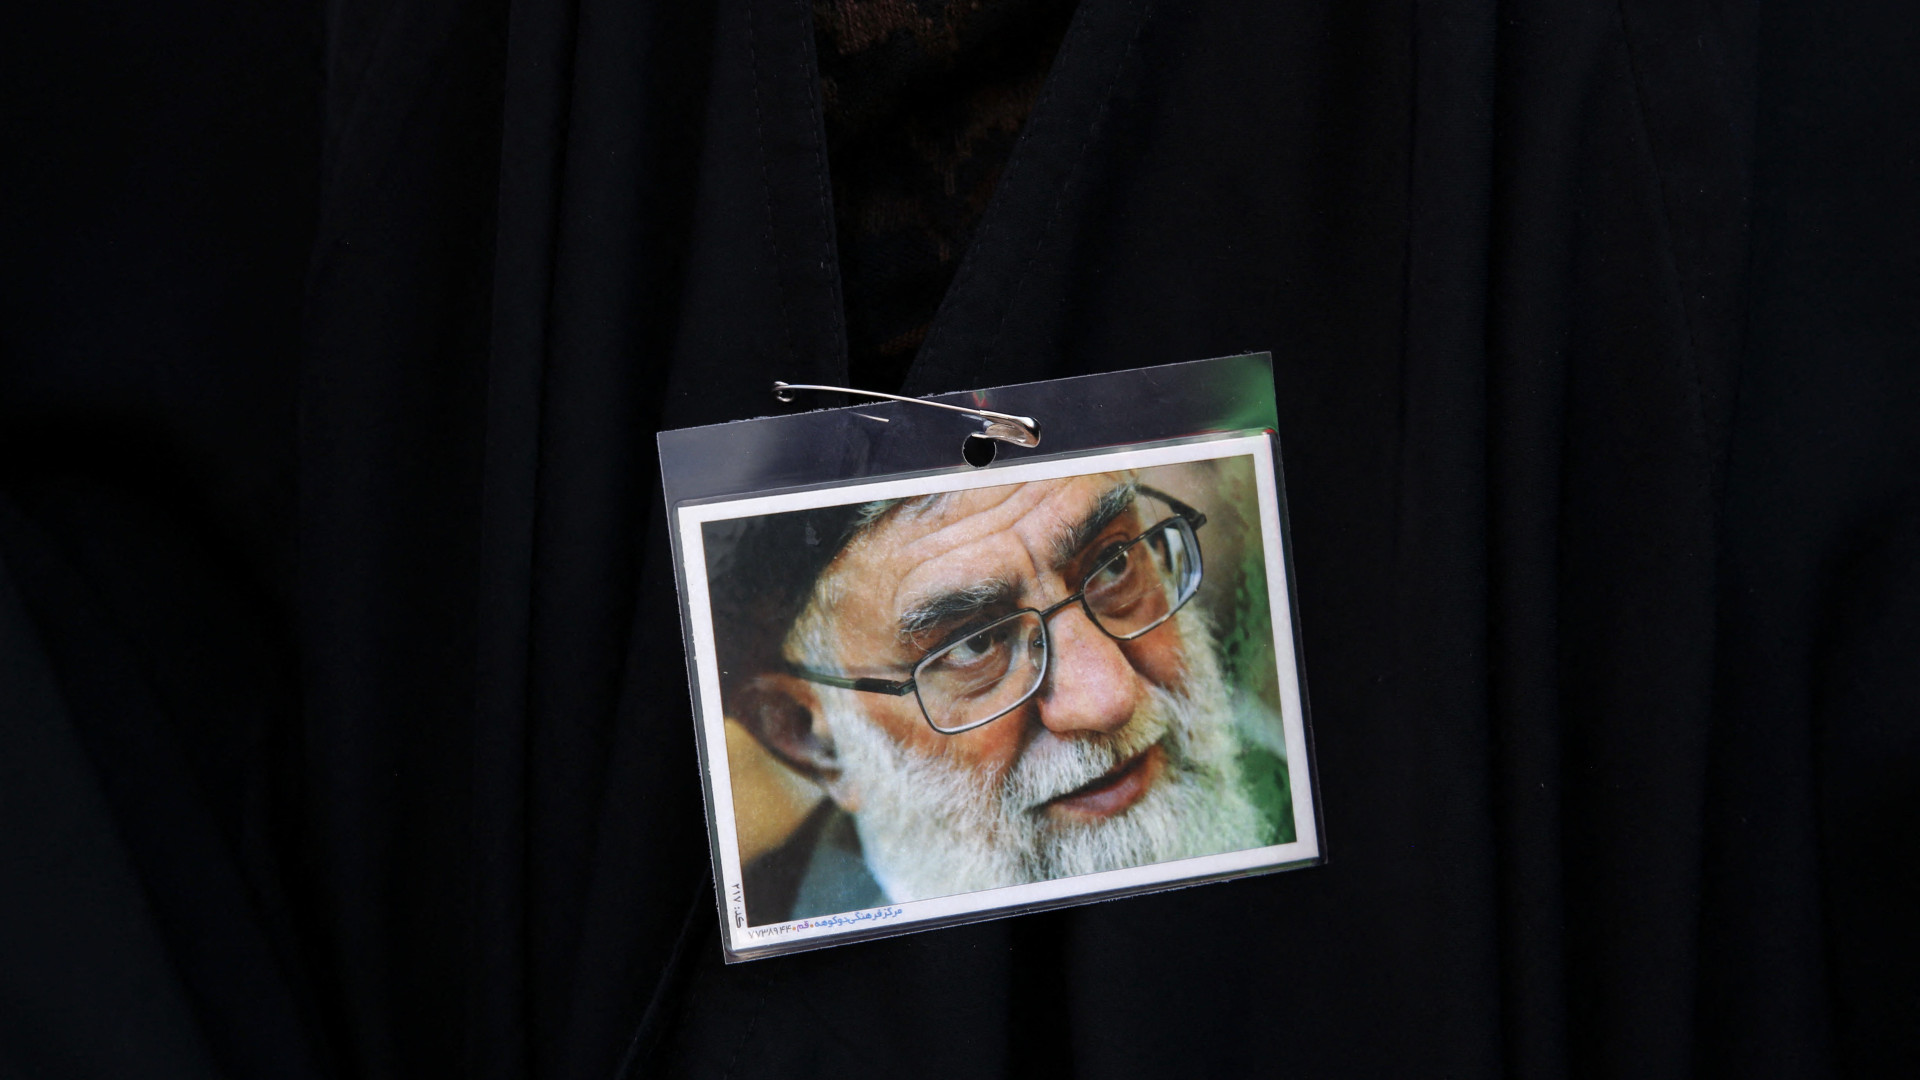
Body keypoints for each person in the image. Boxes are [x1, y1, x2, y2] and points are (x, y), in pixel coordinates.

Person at [707, 470, 1293, 925]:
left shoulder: (1295, 787)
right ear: (808, 734)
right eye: (975, 644)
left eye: (1113, 564)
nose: (1109, 697)